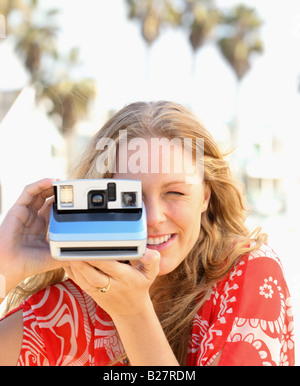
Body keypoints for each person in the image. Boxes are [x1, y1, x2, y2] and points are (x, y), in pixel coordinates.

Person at [0, 100, 295, 366]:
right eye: (130, 198)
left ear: (205, 195)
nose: (153, 218)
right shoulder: (73, 308)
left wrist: (132, 315)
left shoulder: (249, 273)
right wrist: (6, 266)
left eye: (175, 192)